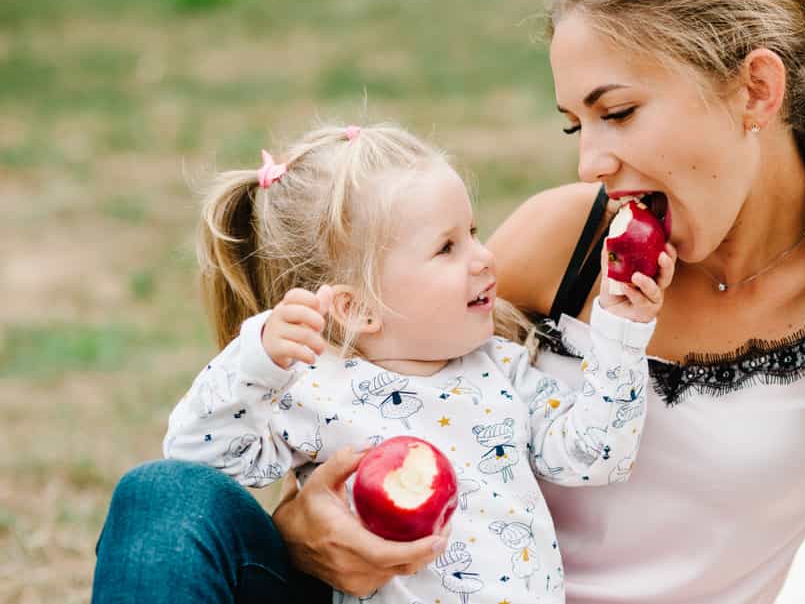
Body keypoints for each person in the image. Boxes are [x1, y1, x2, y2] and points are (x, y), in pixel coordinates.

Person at [92, 0, 805, 603]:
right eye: (577, 124)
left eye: (619, 111)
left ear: (756, 90)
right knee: (165, 497)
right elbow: (389, 397)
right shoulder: (568, 240)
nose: (590, 163)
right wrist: (303, 527)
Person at [94, 121, 672, 604]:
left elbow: (595, 456)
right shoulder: (312, 388)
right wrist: (255, 361)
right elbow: (199, 466)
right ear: (358, 309)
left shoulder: (502, 370)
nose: (484, 257)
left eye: (472, 233)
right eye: (447, 247)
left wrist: (620, 334)